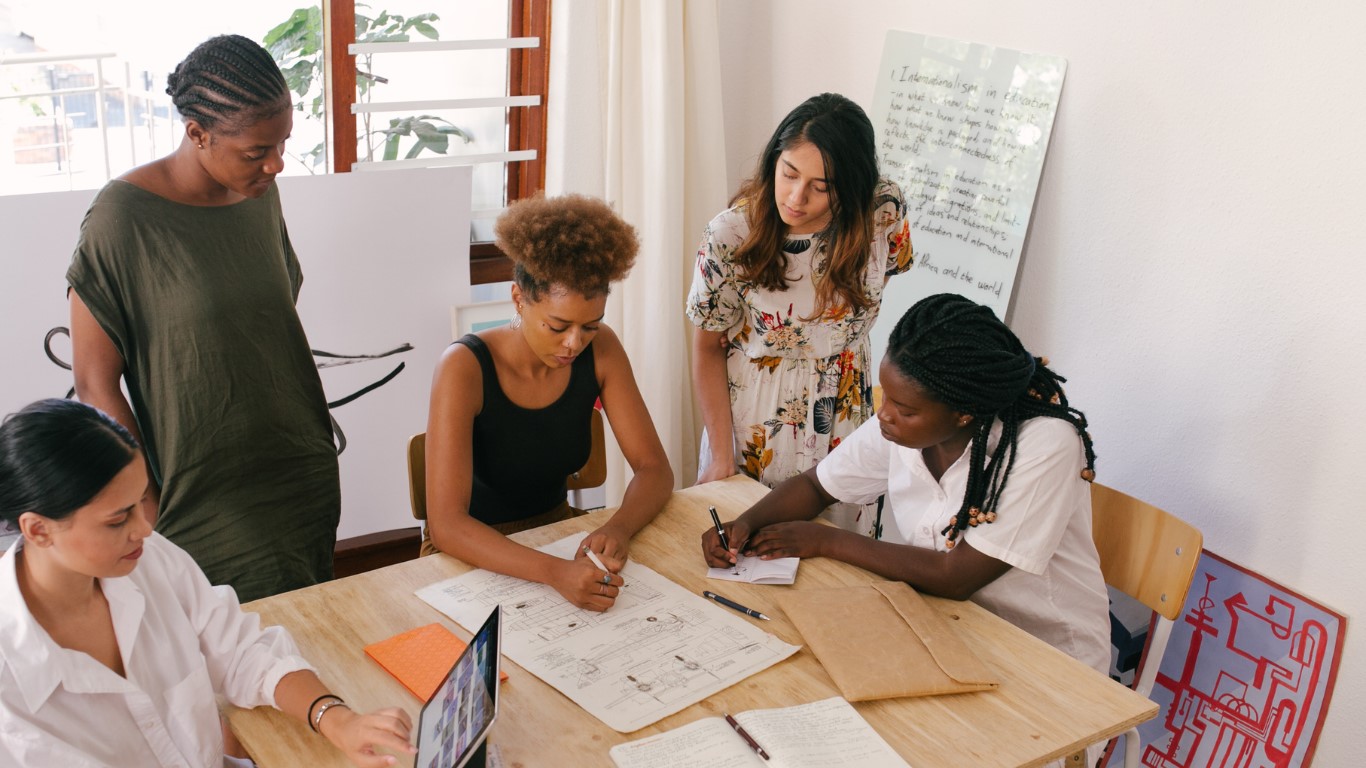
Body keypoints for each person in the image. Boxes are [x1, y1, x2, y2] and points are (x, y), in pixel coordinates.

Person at [702, 293, 1110, 681]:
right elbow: (816, 486)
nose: (884, 415)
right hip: (950, 627)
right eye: (888, 398)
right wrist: (745, 524)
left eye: (904, 409)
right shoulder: (902, 428)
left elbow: (956, 577)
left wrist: (824, 541)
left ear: (964, 413)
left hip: (1046, 658)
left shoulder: (1045, 444)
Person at [67, 34, 339, 602]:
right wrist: (142, 499)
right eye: (256, 151)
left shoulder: (259, 192)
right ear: (198, 133)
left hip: (298, 467)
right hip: (200, 490)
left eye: (283, 142)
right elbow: (95, 382)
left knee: (308, 635)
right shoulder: (122, 219)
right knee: (224, 655)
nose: (275, 163)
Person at [0, 399, 415, 768]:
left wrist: (338, 720)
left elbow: (239, 651)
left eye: (140, 502)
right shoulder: (10, 682)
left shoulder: (147, 560)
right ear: (37, 530)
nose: (145, 529)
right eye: (117, 519)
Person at [424, 194, 674, 612]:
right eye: (558, 326)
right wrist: (555, 572)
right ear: (519, 299)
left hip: (556, 536)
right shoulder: (463, 367)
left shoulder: (602, 350)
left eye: (590, 326)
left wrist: (619, 527)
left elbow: (654, 469)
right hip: (471, 555)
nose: (574, 343)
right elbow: (447, 526)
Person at [686, 92, 913, 535]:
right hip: (757, 420)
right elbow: (706, 346)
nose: (795, 196)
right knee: (748, 553)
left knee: (842, 565)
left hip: (847, 415)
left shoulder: (882, 212)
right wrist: (720, 455)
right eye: (788, 173)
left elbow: (884, 278)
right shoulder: (732, 234)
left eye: (821, 186)